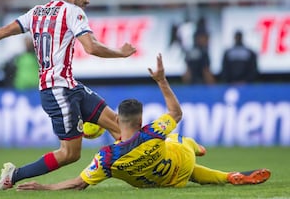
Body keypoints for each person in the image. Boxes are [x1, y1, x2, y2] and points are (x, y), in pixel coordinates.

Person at [0, 0, 136, 190]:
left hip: (70, 85)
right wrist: (120, 53)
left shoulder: (37, 11)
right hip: (58, 91)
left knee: (119, 126)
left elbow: (6, 30)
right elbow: (91, 47)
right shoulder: (73, 12)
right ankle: (13, 175)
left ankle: (141, 168)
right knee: (70, 154)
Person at [16, 54, 271, 191]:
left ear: (118, 118)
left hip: (160, 181)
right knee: (180, 141)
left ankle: (214, 163)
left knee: (184, 154)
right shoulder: (153, 132)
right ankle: (223, 170)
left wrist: (45, 187)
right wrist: (161, 81)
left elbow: (78, 183)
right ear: (140, 120)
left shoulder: (107, 158)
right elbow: (176, 113)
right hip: (179, 166)